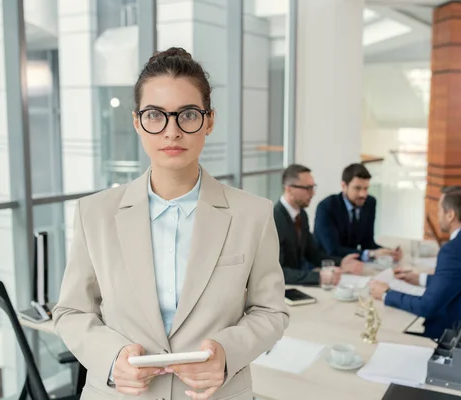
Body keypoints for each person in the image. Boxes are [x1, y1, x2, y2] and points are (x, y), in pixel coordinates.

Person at [53, 48, 289, 400]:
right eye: (155, 115)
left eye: (188, 115)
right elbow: (71, 311)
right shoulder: (95, 213)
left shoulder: (252, 213)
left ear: (209, 121)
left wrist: (227, 352)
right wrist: (112, 357)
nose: (172, 131)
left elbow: (271, 311)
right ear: (137, 122)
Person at [369, 186, 461, 339]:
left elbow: (426, 306)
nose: (438, 215)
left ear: (450, 215)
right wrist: (420, 279)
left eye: (440, 210)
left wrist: (386, 294)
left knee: (384, 332)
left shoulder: (454, 250)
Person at [274, 164, 365, 285]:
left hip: (299, 286)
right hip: (283, 291)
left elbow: (314, 254)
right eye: (308, 188)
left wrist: (341, 262)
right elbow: (277, 272)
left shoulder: (302, 215)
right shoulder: (274, 219)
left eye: (313, 187)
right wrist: (318, 277)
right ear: (289, 189)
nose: (313, 193)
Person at [314, 163, 401, 262]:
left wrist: (388, 253)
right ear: (343, 186)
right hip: (326, 266)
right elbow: (333, 250)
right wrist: (371, 254)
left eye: (366, 188)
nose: (363, 194)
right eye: (357, 188)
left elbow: (367, 244)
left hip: (353, 266)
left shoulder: (369, 203)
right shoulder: (326, 207)